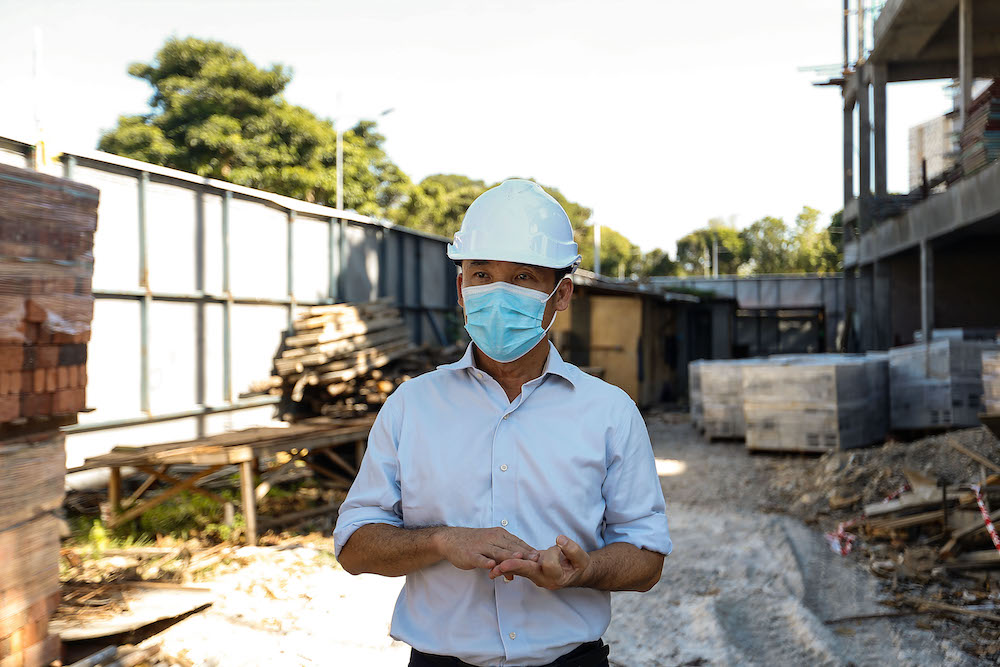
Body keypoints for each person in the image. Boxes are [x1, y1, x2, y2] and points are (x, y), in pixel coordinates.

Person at [334, 179, 671, 667]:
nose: (497, 292)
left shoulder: (610, 413)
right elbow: (353, 546)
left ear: (561, 294)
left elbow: (647, 558)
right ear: (461, 288)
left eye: (522, 277)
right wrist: (441, 540)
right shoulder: (411, 407)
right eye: (482, 274)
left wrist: (583, 570)